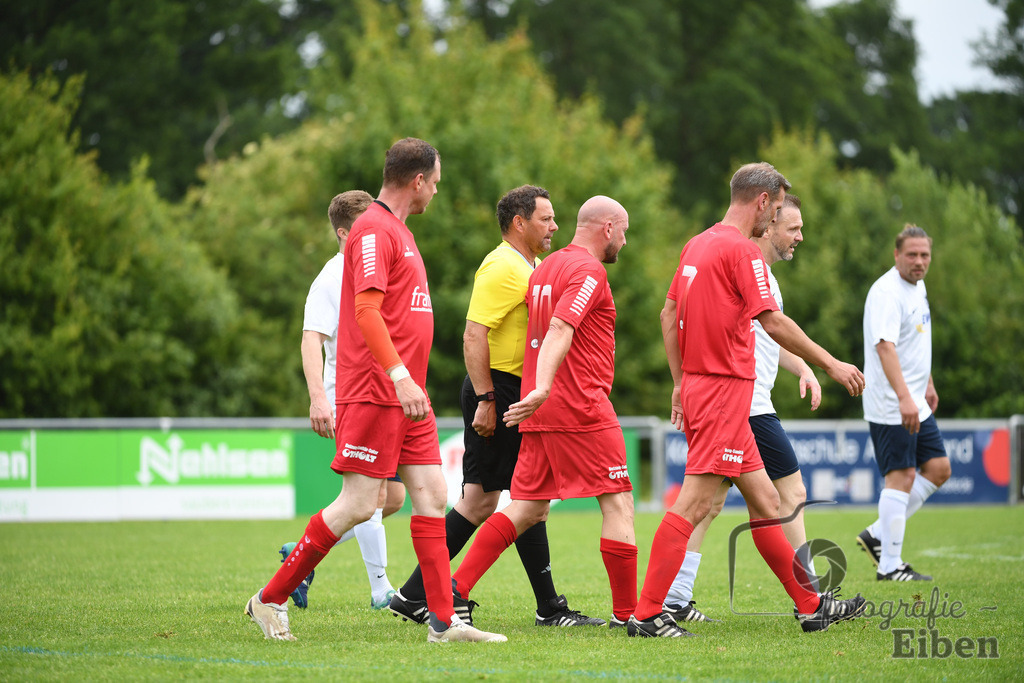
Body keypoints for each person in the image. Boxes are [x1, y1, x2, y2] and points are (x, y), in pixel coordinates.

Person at [246, 137, 505, 643]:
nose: (435, 191)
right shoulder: (372, 231)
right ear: (418, 181)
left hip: (408, 396)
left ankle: (443, 622)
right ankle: (269, 599)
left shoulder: (400, 233)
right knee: (359, 505)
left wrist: (411, 382)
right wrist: (399, 375)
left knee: (432, 496)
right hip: (376, 390)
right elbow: (365, 312)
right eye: (435, 182)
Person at [631, 162, 867, 638]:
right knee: (694, 504)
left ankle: (810, 604)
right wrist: (830, 363)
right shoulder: (743, 252)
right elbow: (773, 322)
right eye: (779, 208)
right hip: (722, 391)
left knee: (766, 503)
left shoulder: (698, 243)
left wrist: (680, 382)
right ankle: (648, 613)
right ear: (762, 201)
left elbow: (668, 312)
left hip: (710, 389)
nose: (777, 217)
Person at [388, 186, 604, 627]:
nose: (554, 227)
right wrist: (487, 399)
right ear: (519, 222)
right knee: (498, 501)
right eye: (546, 218)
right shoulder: (501, 265)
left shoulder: (535, 265)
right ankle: (426, 595)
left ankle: (418, 596)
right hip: (499, 391)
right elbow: (473, 335)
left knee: (516, 499)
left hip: (512, 392)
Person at [448, 196, 638, 629]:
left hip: (541, 411)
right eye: (624, 232)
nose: (624, 242)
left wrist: (539, 390)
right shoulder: (588, 270)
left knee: (527, 508)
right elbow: (559, 328)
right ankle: (633, 616)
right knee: (619, 503)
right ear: (607, 228)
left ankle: (454, 590)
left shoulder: (545, 268)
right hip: (580, 406)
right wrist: (546, 385)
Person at [661, 193, 823, 624]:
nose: (799, 236)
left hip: (735, 399)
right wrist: (828, 363)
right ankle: (811, 598)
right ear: (767, 219)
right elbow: (770, 326)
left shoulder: (749, 266)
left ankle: (673, 599)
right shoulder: (743, 261)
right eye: (791, 226)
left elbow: (768, 335)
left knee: (714, 504)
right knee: (786, 495)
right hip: (743, 404)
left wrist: (802, 367)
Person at [279, 189, 407, 612]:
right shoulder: (332, 276)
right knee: (368, 497)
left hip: (385, 394)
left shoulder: (376, 263)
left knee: (392, 498)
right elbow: (310, 338)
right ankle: (380, 589)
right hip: (350, 395)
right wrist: (318, 398)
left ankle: (302, 554)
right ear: (342, 232)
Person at [856, 224, 950, 581]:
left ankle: (878, 533)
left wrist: (926, 382)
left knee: (939, 469)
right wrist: (904, 397)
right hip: (892, 402)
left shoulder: (918, 286)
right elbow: (885, 346)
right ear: (897, 255)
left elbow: (914, 339)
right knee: (902, 475)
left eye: (924, 255)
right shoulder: (886, 292)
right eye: (911, 254)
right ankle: (890, 566)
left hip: (914, 397)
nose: (919, 261)